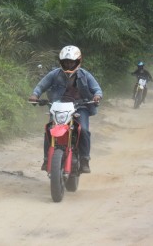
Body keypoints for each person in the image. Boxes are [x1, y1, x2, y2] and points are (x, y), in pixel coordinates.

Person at [28, 45, 102, 173]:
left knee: (83, 130)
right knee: (49, 130)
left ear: (78, 61)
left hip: (80, 107)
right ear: (61, 62)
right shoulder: (54, 74)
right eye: (66, 62)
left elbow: (97, 88)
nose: (68, 65)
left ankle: (85, 160)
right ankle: (47, 159)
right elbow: (41, 86)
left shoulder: (85, 75)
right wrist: (35, 95)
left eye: (71, 62)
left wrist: (97, 96)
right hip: (58, 107)